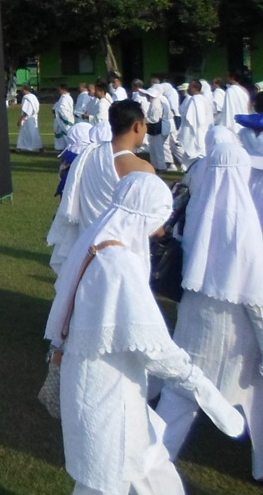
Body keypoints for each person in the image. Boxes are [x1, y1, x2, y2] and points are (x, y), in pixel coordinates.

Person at [45, 172, 244, 494]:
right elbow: (155, 349)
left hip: (105, 388)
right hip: (110, 399)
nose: (156, 234)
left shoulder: (95, 242)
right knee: (104, 481)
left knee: (150, 466)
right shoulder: (119, 263)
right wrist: (205, 390)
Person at [157, 128, 263, 480]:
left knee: (180, 394)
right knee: (254, 402)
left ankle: (153, 460)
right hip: (238, 340)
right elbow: (256, 299)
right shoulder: (247, 228)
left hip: (194, 324)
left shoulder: (198, 216)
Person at [47, 99, 155, 274]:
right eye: (145, 125)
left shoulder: (88, 155)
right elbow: (152, 220)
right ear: (137, 126)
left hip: (86, 246)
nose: (146, 130)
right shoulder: (142, 168)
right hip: (122, 252)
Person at [177, 79, 213, 170]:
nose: (188, 89)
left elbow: (191, 118)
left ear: (194, 88)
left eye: (190, 87)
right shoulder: (203, 99)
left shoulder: (195, 100)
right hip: (202, 130)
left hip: (195, 131)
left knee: (196, 151)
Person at [17, 85, 43, 152]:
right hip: (34, 117)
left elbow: (27, 110)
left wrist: (21, 119)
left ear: (25, 89)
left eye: (22, 89)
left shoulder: (26, 98)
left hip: (28, 118)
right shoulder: (33, 96)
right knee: (34, 132)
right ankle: (38, 147)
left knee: (26, 132)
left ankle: (22, 147)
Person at [54, 84, 76, 151]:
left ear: (63, 89)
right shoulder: (64, 97)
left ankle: (69, 149)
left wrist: (60, 115)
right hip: (62, 119)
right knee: (61, 134)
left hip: (65, 119)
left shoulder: (65, 98)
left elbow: (62, 108)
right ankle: (62, 148)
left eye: (59, 89)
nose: (59, 91)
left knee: (66, 134)